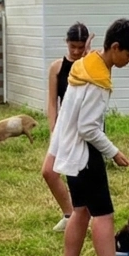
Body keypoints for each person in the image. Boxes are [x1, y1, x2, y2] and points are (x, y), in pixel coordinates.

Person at [46, 18, 129, 256]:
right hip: (85, 154)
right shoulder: (98, 79)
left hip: (69, 150)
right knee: (104, 216)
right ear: (114, 47)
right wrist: (113, 152)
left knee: (80, 211)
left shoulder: (85, 64)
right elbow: (88, 127)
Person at [42, 23, 91, 231]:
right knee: (49, 172)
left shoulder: (92, 66)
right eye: (73, 46)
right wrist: (54, 130)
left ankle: (82, 217)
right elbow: (53, 102)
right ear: (66, 43)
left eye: (81, 47)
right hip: (64, 127)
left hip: (86, 128)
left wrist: (88, 58)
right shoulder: (57, 68)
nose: (77, 51)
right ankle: (69, 213)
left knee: (80, 176)